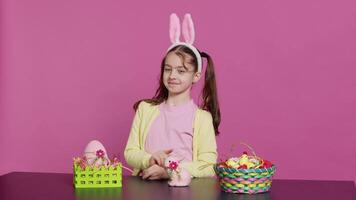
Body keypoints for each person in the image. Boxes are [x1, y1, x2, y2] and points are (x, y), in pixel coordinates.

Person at [124, 13, 221, 180]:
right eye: (168, 69)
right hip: (144, 189)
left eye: (181, 71)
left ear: (196, 76)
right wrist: (149, 159)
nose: (172, 75)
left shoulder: (202, 118)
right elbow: (130, 152)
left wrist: (170, 170)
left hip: (184, 191)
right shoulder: (145, 109)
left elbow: (208, 166)